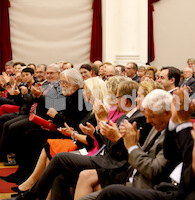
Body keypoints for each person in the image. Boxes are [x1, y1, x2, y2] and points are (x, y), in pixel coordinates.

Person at [13, 81, 149, 200]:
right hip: (102, 155)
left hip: (113, 162)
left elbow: (116, 149)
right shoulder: (123, 117)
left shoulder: (137, 119)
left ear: (125, 100)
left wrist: (100, 123)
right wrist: (94, 133)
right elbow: (106, 142)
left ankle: (30, 195)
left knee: (60, 157)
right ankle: (31, 193)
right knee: (60, 174)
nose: (136, 99)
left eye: (139, 96)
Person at [10, 77, 107, 193]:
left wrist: (71, 132)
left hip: (86, 147)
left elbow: (92, 138)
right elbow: (75, 124)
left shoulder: (95, 108)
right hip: (77, 140)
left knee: (48, 148)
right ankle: (33, 186)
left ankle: (33, 189)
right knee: (38, 140)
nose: (61, 85)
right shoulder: (87, 105)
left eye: (86, 90)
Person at [75, 81, 164, 200]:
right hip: (118, 163)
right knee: (66, 169)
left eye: (138, 96)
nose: (136, 99)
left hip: (122, 168)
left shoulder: (142, 121)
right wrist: (96, 131)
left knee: (63, 160)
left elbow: (125, 153)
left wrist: (104, 124)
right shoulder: (127, 116)